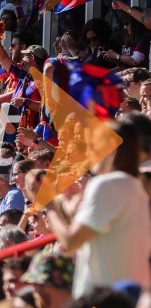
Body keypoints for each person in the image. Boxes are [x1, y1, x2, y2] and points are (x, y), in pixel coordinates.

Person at [46, 119, 151, 297]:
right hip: (131, 297)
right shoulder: (137, 187)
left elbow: (71, 240)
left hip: (103, 301)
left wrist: (48, 204)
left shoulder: (105, 184)